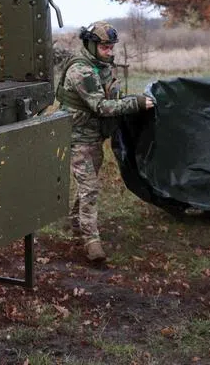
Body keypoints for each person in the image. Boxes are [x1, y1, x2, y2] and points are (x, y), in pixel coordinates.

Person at [57, 21, 155, 262]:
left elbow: (114, 96)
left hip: (94, 136)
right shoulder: (82, 71)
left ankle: (76, 226)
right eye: (105, 47)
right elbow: (100, 106)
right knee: (89, 188)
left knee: (86, 187)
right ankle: (91, 242)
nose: (109, 52)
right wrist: (136, 103)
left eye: (112, 47)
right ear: (91, 45)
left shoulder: (102, 67)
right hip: (77, 137)